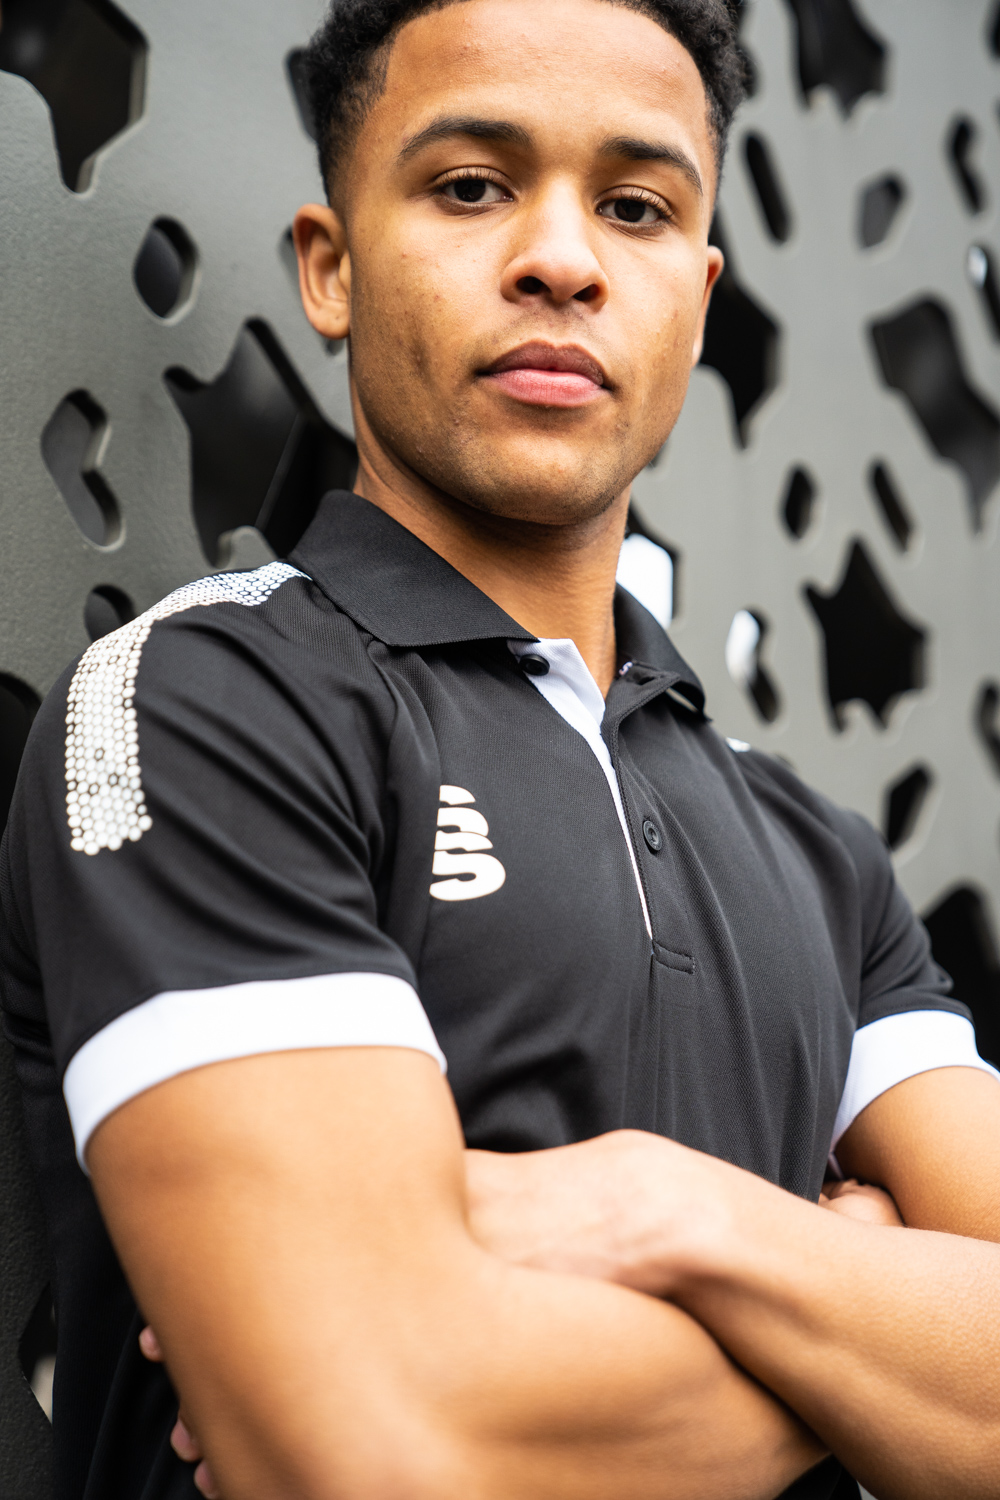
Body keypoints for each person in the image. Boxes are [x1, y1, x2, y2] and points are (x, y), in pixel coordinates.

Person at [3, 1, 1000, 1497]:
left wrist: (678, 1215)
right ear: (330, 269)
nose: (562, 259)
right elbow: (369, 1443)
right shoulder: (213, 706)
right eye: (472, 185)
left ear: (699, 300)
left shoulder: (819, 854)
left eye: (637, 208)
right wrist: (866, 1308)